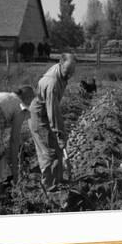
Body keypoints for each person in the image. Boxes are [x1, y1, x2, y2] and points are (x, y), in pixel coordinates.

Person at [29, 53, 77, 191]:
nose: (69, 75)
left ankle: (58, 180)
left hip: (46, 113)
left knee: (57, 149)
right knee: (49, 152)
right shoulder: (52, 84)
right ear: (60, 64)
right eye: (67, 71)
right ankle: (48, 186)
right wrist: (60, 134)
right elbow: (53, 113)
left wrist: (59, 136)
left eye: (72, 72)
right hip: (39, 117)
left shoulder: (61, 72)